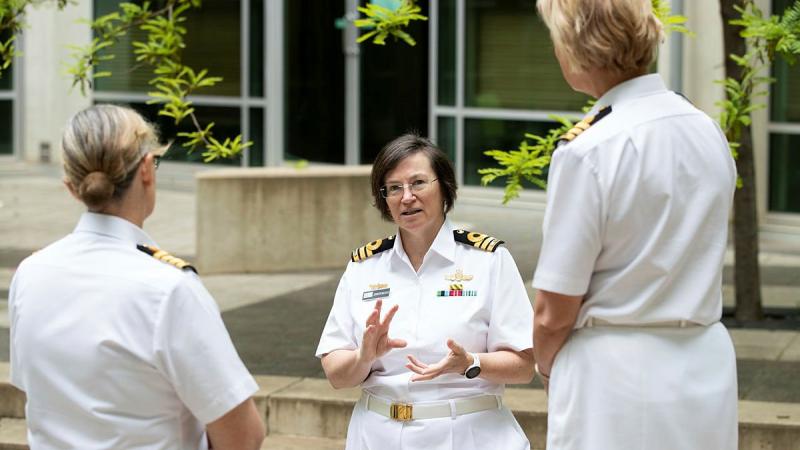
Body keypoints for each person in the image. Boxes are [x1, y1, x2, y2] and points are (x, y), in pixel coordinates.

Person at [531, 1, 739, 449]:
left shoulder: (589, 149)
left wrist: (547, 368)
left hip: (614, 376)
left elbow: (554, 309)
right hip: (704, 362)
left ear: (575, 45)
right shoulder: (706, 130)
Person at [8, 104, 265, 450]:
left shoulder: (30, 275)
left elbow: (36, 391)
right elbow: (243, 436)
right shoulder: (169, 289)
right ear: (146, 169)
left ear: (71, 186)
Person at [316, 133, 534, 450]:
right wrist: (364, 357)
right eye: (394, 188)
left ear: (444, 187)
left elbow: (524, 366)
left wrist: (470, 362)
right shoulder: (364, 267)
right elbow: (337, 375)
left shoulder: (487, 260)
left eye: (418, 183)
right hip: (378, 436)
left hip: (470, 434)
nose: (407, 197)